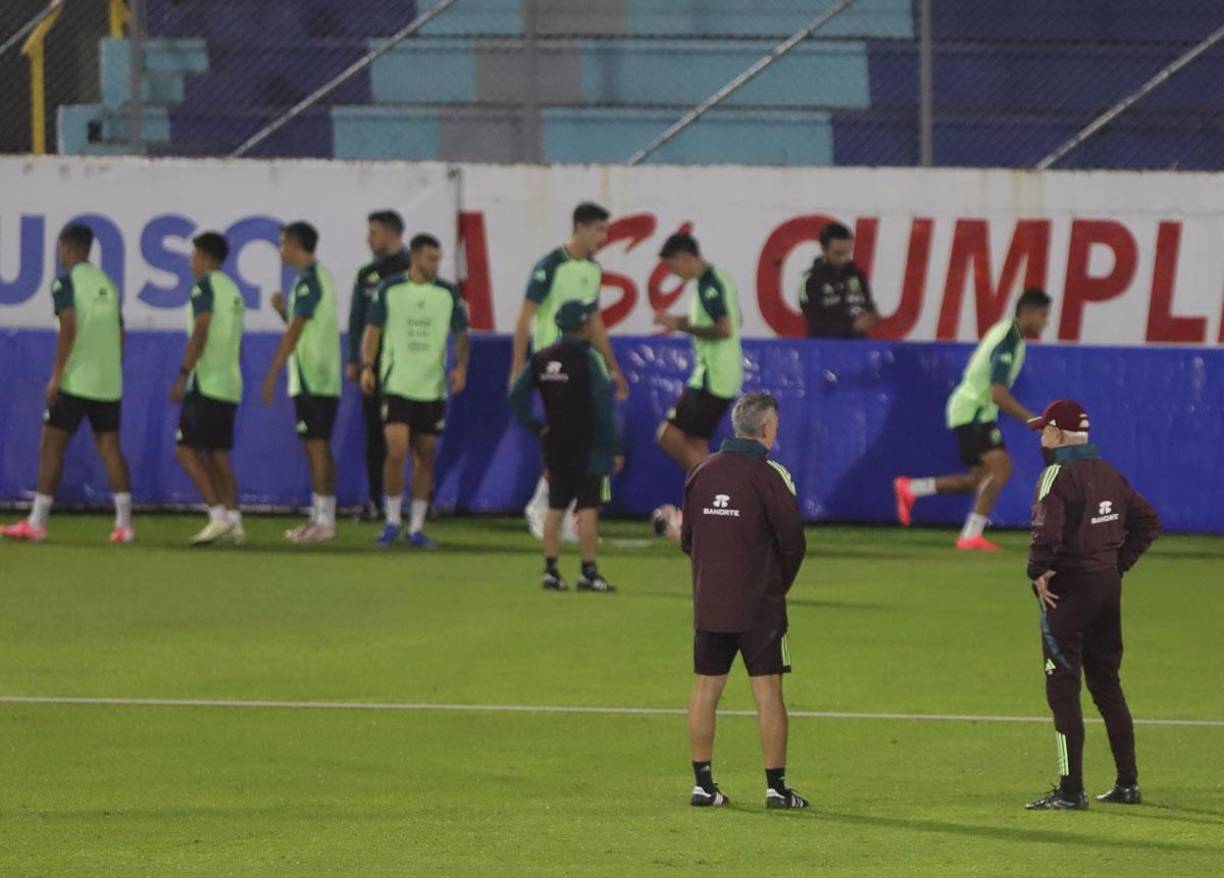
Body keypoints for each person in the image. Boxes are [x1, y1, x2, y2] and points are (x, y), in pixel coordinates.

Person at [1022, 399, 1160, 810]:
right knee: (1107, 685)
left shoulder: (1057, 474)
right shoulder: (1109, 473)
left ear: (1058, 435)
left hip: (1068, 592)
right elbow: (1148, 522)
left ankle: (1070, 791)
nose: (1041, 438)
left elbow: (1046, 533)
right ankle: (1128, 783)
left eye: (1044, 430)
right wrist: (1115, 566)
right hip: (1105, 588)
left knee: (1063, 690)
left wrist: (1038, 571)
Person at [681, 392, 808, 809]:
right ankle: (776, 789)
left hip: (710, 603)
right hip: (759, 607)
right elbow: (794, 543)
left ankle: (703, 785)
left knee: (706, 688)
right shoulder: (770, 474)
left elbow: (688, 541)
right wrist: (776, 585)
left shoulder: (701, 472)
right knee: (768, 692)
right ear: (767, 428)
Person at [1, 224, 133, 544]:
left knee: (51, 445)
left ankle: (37, 522)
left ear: (66, 248)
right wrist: (110, 368)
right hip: (108, 381)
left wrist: (58, 375)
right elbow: (121, 333)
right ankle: (124, 525)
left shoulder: (64, 282)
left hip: (76, 381)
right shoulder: (108, 284)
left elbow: (68, 327)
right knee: (110, 447)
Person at [894, 288, 1053, 551]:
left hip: (971, 410)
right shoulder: (1009, 340)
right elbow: (998, 394)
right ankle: (970, 535)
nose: (1045, 321)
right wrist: (1035, 421)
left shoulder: (1006, 331)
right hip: (974, 411)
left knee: (980, 480)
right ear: (1027, 313)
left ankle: (912, 488)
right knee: (1001, 469)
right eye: (1043, 315)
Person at [509, 202, 629, 540]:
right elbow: (524, 317)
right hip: (553, 368)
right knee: (566, 442)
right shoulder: (550, 266)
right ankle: (542, 508)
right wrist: (518, 366)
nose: (603, 238)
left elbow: (596, 323)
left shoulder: (593, 269)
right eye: (600, 230)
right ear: (580, 227)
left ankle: (557, 511)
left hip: (581, 364)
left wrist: (612, 368)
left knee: (577, 442)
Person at [360, 233, 470, 549]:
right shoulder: (390, 290)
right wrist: (368, 365)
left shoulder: (447, 294)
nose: (436, 265)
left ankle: (417, 527)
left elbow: (462, 333)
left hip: (432, 387)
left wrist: (461, 365)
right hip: (397, 384)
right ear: (415, 258)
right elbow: (373, 330)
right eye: (431, 259)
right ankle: (392, 519)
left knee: (425, 459)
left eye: (438, 259)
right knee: (395, 451)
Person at [508, 300, 623, 592]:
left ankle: (550, 570)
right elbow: (603, 408)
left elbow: (516, 398)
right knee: (587, 507)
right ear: (585, 326)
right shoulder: (590, 360)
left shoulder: (542, 358)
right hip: (588, 444)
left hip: (556, 443)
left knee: (556, 505)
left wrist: (538, 427)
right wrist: (613, 447)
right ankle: (588, 572)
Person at [262, 221, 342, 543]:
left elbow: (295, 332)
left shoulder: (309, 280)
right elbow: (300, 326)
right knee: (316, 447)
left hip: (314, 377)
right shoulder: (311, 280)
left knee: (317, 447)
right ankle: (321, 517)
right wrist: (284, 311)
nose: (281, 250)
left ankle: (325, 522)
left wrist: (272, 374)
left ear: (296, 244)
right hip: (318, 376)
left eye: (283, 243)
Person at [171, 231, 246, 546]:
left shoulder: (204, 287)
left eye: (193, 255)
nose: (191, 262)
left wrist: (184, 372)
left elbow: (200, 329)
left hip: (206, 381)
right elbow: (237, 343)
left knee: (185, 450)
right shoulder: (233, 290)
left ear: (204, 256)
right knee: (218, 455)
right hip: (229, 382)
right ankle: (235, 521)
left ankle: (216, 517)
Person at [653, 232, 744, 474]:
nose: (673, 273)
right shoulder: (719, 278)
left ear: (684, 257)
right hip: (720, 373)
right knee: (696, 442)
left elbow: (724, 329)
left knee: (668, 436)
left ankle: (714, 493)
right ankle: (708, 504)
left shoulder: (709, 284)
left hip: (713, 375)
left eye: (672, 266)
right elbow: (734, 320)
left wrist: (680, 326)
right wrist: (676, 321)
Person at [348, 210, 412, 520]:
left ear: (390, 233)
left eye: (373, 232)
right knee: (376, 436)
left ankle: (414, 501)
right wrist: (355, 360)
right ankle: (377, 500)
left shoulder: (412, 270)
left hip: (408, 369)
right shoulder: (366, 276)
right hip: (374, 369)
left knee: (415, 439)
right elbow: (357, 320)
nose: (368, 239)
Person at [799, 221, 877, 339]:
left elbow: (869, 306)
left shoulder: (857, 275)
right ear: (824, 250)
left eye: (848, 253)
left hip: (857, 348)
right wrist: (851, 326)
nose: (844, 258)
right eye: (838, 253)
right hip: (824, 349)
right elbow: (814, 320)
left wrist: (870, 317)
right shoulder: (810, 280)